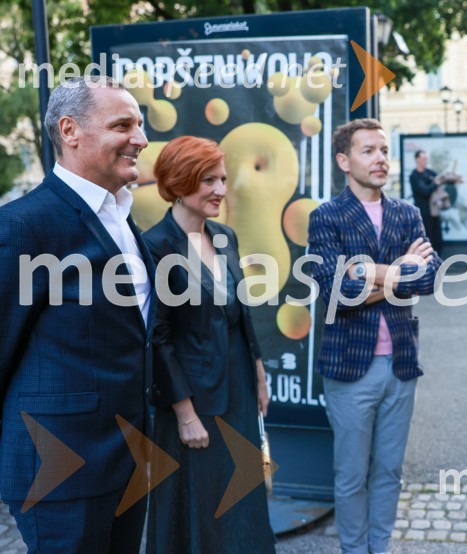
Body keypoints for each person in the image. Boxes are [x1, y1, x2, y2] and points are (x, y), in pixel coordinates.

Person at [0, 76, 153, 552]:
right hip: (59, 471)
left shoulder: (122, 216)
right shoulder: (23, 225)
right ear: (70, 131)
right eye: (122, 125)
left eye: (140, 125)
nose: (141, 139)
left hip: (128, 459)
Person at [307, 119, 441, 554]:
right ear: (344, 161)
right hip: (349, 367)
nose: (381, 158)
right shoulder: (327, 216)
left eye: (383, 150)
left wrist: (367, 271)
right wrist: (399, 271)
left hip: (401, 364)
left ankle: (378, 548)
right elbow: (336, 292)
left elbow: (430, 278)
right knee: (351, 475)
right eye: (368, 151)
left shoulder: (407, 213)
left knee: (389, 472)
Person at [143, 136, 274, 553]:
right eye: (209, 180)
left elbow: (240, 313)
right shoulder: (155, 246)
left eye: (222, 179)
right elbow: (157, 337)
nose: (220, 189)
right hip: (193, 399)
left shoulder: (224, 236)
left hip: (238, 387)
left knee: (243, 497)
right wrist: (184, 414)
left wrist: (258, 372)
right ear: (179, 183)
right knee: (202, 504)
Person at [409, 150, 445, 254]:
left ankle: (437, 260)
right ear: (417, 160)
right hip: (423, 214)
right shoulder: (414, 176)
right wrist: (435, 184)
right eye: (424, 159)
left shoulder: (430, 173)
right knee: (427, 240)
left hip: (434, 212)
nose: (426, 161)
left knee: (438, 240)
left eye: (426, 158)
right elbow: (424, 191)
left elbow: (440, 178)